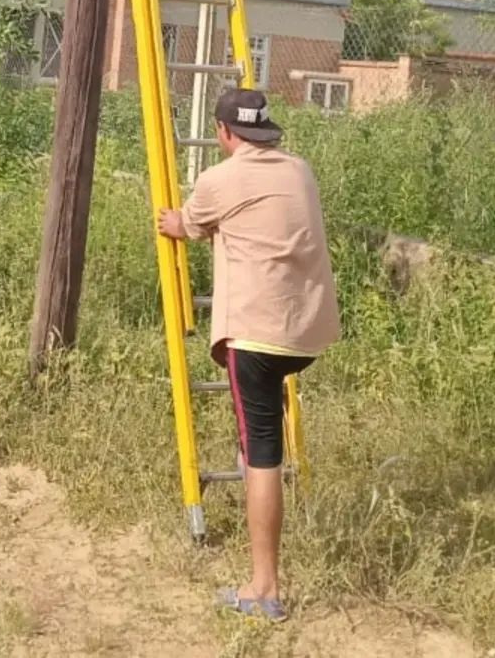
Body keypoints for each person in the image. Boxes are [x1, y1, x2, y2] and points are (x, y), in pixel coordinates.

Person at [158, 88, 340, 624]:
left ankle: (264, 588)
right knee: (261, 430)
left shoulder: (218, 180)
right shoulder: (300, 169)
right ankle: (257, 452)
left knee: (263, 459)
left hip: (256, 339)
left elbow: (187, 224)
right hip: (305, 333)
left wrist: (179, 223)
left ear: (222, 133)